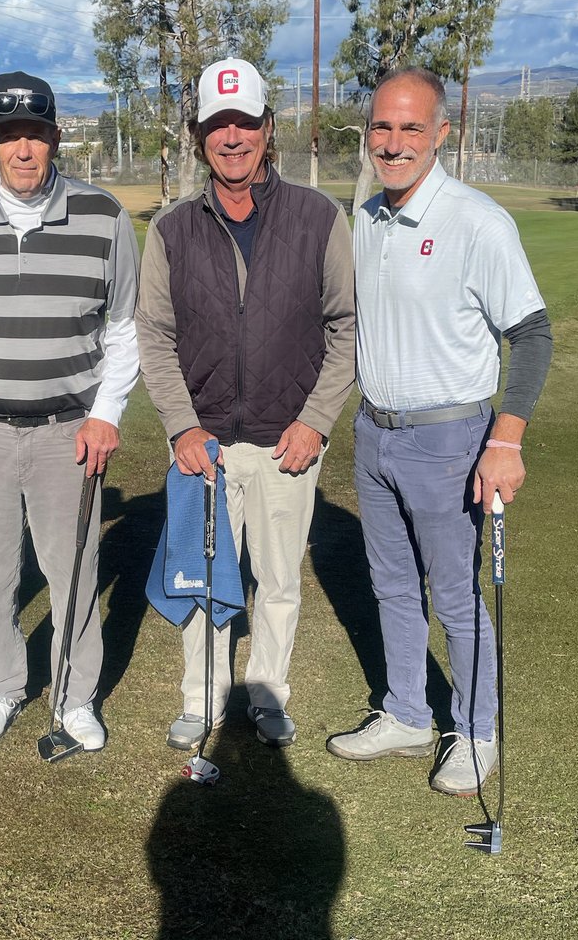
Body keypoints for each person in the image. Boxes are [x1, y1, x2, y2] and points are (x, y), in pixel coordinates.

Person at [328, 67, 552, 795]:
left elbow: (532, 332)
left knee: (455, 598)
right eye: (381, 128)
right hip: (375, 433)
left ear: (441, 133)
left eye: (410, 128)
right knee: (391, 586)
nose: (393, 144)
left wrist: (506, 439)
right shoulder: (365, 216)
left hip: (451, 439)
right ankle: (406, 713)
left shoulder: (476, 220)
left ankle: (478, 731)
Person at [137, 57, 356, 749]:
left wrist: (316, 421)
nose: (230, 138)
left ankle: (266, 692)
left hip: (286, 439)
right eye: (215, 125)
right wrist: (179, 425)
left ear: (267, 127)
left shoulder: (319, 217)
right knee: (204, 579)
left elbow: (345, 326)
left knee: (277, 579)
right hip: (204, 445)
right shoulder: (170, 230)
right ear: (198, 135)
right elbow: (155, 335)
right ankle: (202, 699)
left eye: (243, 123)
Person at [0, 71, 140, 751]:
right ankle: (0, 687)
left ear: (55, 140)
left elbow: (124, 326)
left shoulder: (103, 216)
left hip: (67, 433)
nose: (24, 150)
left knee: (73, 570)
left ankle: (76, 696)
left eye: (37, 135)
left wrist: (106, 413)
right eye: (10, 135)